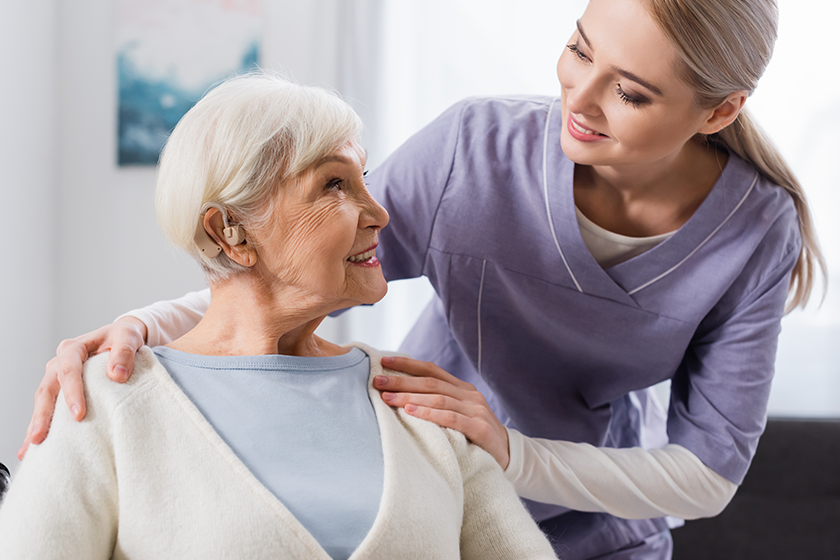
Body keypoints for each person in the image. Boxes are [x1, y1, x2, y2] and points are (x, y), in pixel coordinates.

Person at [20, 0, 825, 558]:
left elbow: (708, 473)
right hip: (428, 500)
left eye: (631, 91)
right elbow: (293, 266)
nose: (575, 99)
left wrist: (508, 451)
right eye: (580, 47)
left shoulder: (756, 231)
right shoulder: (474, 153)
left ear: (717, 112)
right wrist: (144, 327)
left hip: (596, 533)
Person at [0, 73, 557, 559]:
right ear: (229, 232)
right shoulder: (103, 402)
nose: (380, 212)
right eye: (335, 184)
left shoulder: (420, 402)